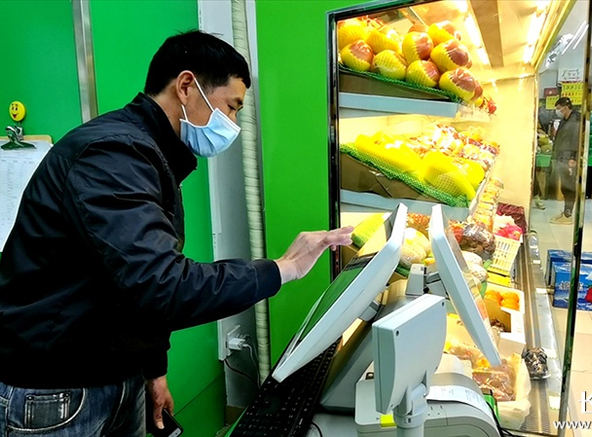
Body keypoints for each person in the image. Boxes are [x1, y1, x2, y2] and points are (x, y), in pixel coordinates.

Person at [0, 30, 352, 437]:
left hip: (114, 374)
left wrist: (152, 369)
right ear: (186, 86)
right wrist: (282, 268)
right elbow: (161, 283)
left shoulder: (150, 153)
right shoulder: (113, 154)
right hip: (55, 390)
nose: (232, 124)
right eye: (231, 107)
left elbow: (126, 284)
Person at [549, 97, 581, 225]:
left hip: (569, 159)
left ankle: (568, 215)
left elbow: (575, 140)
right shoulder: (565, 120)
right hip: (562, 157)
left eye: (558, 109)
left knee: (569, 187)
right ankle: (566, 212)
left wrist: (573, 158)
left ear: (565, 107)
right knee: (564, 186)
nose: (557, 111)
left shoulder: (575, 120)